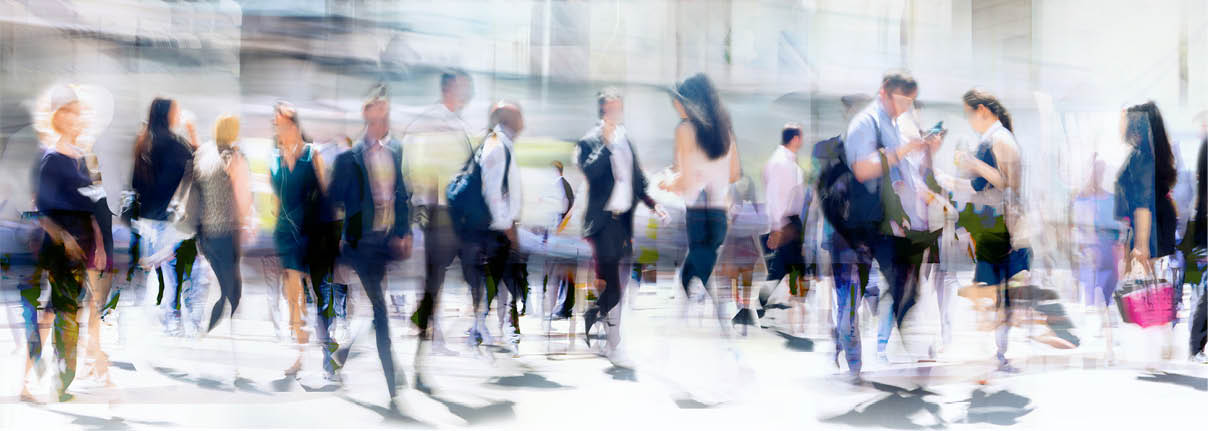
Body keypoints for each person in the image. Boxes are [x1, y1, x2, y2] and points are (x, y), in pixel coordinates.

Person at [829, 73, 936, 378]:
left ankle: (906, 347)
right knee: (852, 298)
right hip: (855, 225)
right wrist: (902, 152)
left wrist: (902, 209)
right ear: (885, 93)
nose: (905, 108)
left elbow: (892, 178)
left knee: (902, 283)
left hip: (880, 224)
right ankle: (853, 366)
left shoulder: (890, 125)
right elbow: (864, 170)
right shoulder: (866, 123)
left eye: (910, 102)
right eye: (903, 101)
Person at [329, 85, 413, 410]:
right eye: (379, 113)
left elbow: (402, 194)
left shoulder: (395, 152)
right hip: (359, 245)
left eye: (387, 113)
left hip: (384, 243)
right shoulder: (348, 159)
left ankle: (342, 353)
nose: (385, 119)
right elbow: (334, 201)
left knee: (377, 311)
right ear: (367, 115)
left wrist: (403, 232)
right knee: (380, 309)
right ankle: (393, 385)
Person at [29, 85, 107, 401]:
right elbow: (39, 208)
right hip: (59, 247)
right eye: (72, 112)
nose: (78, 118)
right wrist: (62, 238)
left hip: (84, 245)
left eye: (79, 112)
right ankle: (58, 381)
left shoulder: (86, 158)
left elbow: (96, 204)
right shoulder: (49, 158)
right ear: (59, 116)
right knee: (65, 313)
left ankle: (51, 375)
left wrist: (100, 245)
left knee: (67, 311)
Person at [577, 88, 665, 364]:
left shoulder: (626, 138)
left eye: (618, 107)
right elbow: (590, 172)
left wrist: (653, 204)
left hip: (622, 223)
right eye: (610, 108)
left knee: (616, 284)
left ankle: (607, 330)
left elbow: (636, 179)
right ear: (602, 111)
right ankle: (597, 319)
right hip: (602, 222)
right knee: (613, 285)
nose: (615, 112)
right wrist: (606, 144)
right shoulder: (589, 141)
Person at [953, 88, 1029, 372]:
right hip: (994, 224)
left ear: (982, 110)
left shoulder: (1000, 138)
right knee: (996, 289)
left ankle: (999, 349)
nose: (969, 121)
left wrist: (973, 164)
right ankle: (999, 349)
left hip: (1002, 224)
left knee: (996, 288)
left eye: (970, 114)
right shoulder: (994, 137)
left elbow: (1007, 183)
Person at [658, 73, 741, 333]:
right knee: (697, 268)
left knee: (697, 271)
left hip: (696, 212)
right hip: (719, 214)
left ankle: (717, 317)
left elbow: (684, 180)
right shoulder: (725, 130)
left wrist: (668, 181)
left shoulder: (685, 129)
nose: (677, 106)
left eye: (680, 101)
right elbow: (734, 174)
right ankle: (700, 322)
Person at [405, 69, 476, 370]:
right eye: (462, 88)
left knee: (447, 276)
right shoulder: (433, 120)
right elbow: (415, 163)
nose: (466, 93)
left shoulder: (457, 123)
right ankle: (429, 336)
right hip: (440, 211)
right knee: (440, 276)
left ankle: (428, 327)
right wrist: (427, 197)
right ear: (449, 89)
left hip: (455, 211)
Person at [268, 101, 339, 378]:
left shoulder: (313, 154)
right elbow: (275, 202)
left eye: (282, 124)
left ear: (295, 126)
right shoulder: (274, 158)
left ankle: (327, 349)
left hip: (313, 233)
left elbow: (327, 197)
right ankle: (299, 353)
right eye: (275, 125)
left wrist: (333, 237)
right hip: (286, 234)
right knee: (294, 297)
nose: (278, 129)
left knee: (320, 293)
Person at [130, 97, 207, 337]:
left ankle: (161, 319)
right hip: (168, 219)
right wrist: (193, 131)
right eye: (176, 111)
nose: (179, 114)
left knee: (159, 272)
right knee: (181, 272)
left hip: (146, 220)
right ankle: (173, 320)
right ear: (168, 115)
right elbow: (199, 162)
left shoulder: (143, 141)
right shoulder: (176, 144)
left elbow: (134, 182)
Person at [1112, 101, 1179, 361]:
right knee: (1149, 283)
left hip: (1149, 224)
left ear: (1135, 124)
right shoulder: (1151, 153)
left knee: (1146, 284)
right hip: (1154, 221)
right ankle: (1162, 340)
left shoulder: (1141, 157)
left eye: (1124, 119)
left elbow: (1143, 204)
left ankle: (1156, 345)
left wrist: (1141, 244)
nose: (1120, 124)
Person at [194, 114, 252, 382]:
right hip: (228, 234)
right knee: (233, 293)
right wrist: (248, 223)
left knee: (227, 290)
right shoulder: (232, 157)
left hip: (206, 235)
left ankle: (209, 335)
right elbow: (242, 198)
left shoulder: (204, 153)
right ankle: (215, 342)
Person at [466, 101, 525, 351]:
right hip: (496, 228)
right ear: (508, 119)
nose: (523, 121)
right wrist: (506, 225)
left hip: (497, 226)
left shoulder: (500, 143)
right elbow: (493, 190)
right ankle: (480, 328)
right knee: (501, 278)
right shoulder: (498, 145)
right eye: (519, 116)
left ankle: (482, 327)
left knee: (500, 279)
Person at [735, 124, 806, 331]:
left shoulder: (785, 161)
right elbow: (776, 196)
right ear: (794, 139)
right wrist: (778, 228)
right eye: (800, 138)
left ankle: (764, 310)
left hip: (787, 222)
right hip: (785, 222)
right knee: (788, 270)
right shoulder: (781, 163)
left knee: (783, 269)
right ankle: (770, 311)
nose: (801, 142)